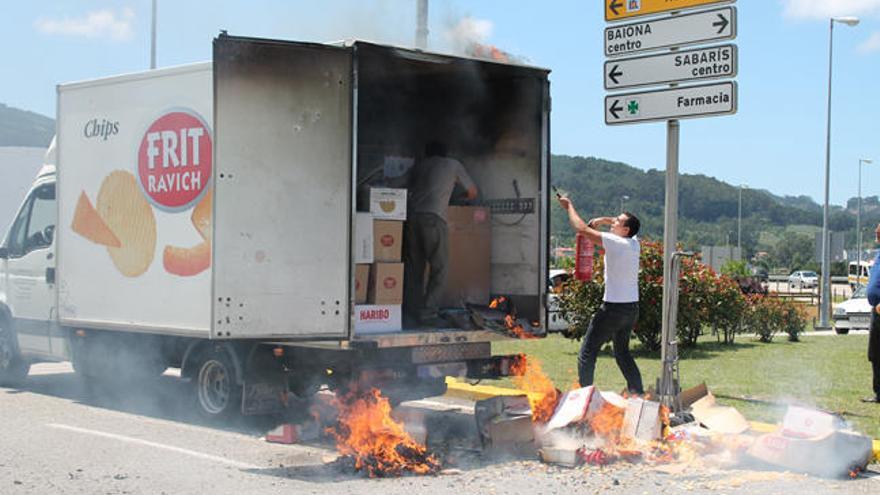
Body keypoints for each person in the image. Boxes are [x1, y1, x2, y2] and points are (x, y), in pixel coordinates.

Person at [557, 194, 644, 394]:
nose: (612, 222)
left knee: (587, 353)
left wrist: (569, 205)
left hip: (613, 310)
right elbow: (615, 223)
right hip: (631, 309)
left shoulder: (616, 242)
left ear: (626, 230)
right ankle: (638, 395)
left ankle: (585, 399)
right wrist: (603, 220)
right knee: (622, 354)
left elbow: (581, 229)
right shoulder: (634, 243)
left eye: (617, 222)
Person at [404, 141, 477, 325]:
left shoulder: (420, 166)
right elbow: (473, 192)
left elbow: (403, 185)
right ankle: (428, 312)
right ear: (446, 152)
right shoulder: (453, 164)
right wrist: (456, 198)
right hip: (434, 220)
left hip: (412, 219)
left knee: (415, 269)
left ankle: (411, 311)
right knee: (440, 268)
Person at [863, 222, 880, 403]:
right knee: (875, 354)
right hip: (876, 311)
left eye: (879, 229)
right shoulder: (878, 255)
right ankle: (879, 394)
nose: (876, 231)